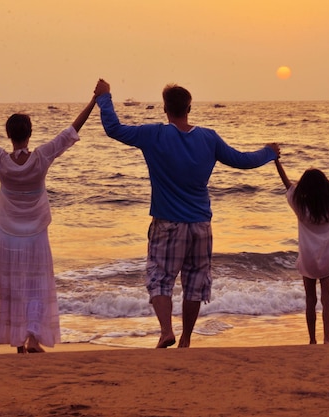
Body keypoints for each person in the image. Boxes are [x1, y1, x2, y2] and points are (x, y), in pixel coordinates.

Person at [93, 79, 280, 348]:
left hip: (168, 222)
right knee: (195, 282)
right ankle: (186, 340)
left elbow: (113, 128)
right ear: (189, 108)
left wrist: (105, 97)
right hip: (201, 224)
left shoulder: (154, 134)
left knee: (159, 278)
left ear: (165, 109)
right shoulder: (208, 138)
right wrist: (268, 153)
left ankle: (166, 330)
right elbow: (242, 161)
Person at [0, 86, 96, 353]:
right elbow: (71, 132)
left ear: (9, 135)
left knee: (13, 286)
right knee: (36, 286)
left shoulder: (0, 159)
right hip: (36, 233)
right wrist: (94, 100)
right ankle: (31, 339)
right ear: (29, 134)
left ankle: (19, 338)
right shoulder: (41, 158)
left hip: (7, 233)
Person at [274, 144, 329, 344]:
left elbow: (287, 184)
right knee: (327, 300)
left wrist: (276, 161)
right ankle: (327, 338)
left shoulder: (300, 206)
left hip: (309, 260)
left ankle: (312, 340)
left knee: (310, 301)